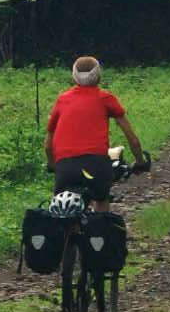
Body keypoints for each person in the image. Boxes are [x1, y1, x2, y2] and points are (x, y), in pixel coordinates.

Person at [45, 55, 145, 210]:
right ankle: (100, 222)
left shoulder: (62, 100)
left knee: (64, 210)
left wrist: (53, 166)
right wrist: (140, 162)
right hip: (96, 165)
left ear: (74, 77)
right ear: (99, 75)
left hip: (65, 167)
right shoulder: (106, 98)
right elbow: (132, 139)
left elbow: (48, 146)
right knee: (101, 199)